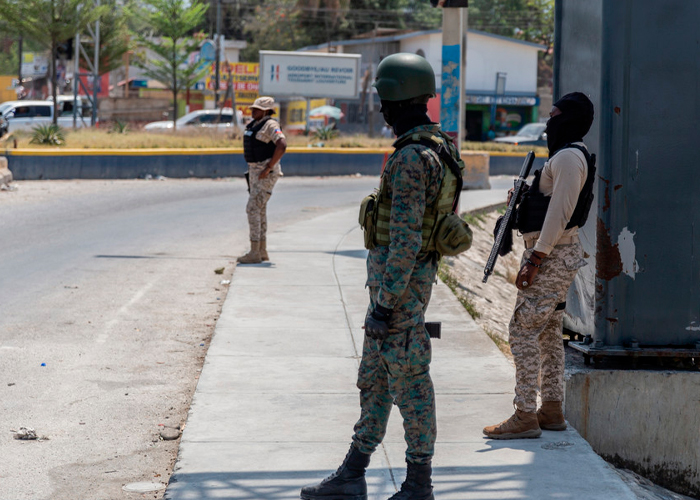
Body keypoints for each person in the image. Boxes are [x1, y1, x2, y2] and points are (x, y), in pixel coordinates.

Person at [301, 53, 464, 500]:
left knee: (411, 386)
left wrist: (385, 305)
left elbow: (407, 241)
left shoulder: (414, 157)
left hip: (400, 296)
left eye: (384, 100)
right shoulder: (439, 148)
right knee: (374, 379)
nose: (380, 110)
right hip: (397, 293)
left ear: (397, 99)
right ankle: (353, 473)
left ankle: (418, 484)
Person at [483, 92, 595, 440]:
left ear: (569, 118)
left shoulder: (568, 159)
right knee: (547, 334)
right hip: (553, 255)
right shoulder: (566, 157)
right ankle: (551, 411)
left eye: (554, 115)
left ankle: (525, 414)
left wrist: (535, 258)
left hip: (551, 257)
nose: (548, 121)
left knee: (522, 331)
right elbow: (547, 205)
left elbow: (560, 213)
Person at [237, 96, 287, 264]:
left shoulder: (270, 125)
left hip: (265, 174)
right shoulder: (256, 125)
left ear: (265, 111)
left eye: (256, 109)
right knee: (260, 209)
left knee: (252, 209)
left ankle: (254, 252)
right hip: (255, 173)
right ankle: (262, 250)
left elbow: (282, 145)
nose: (252, 111)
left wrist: (269, 167)